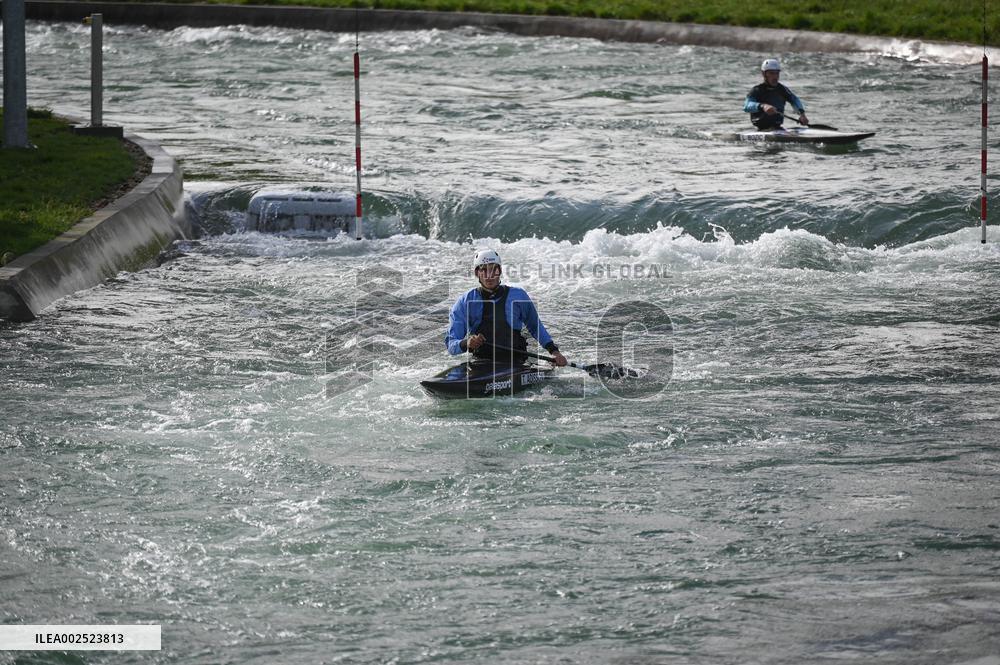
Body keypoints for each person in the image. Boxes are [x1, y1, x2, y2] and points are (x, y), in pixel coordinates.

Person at [447, 249, 567, 367]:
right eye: (484, 270)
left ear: (500, 271)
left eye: (494, 269)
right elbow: (451, 345)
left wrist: (554, 352)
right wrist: (466, 343)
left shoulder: (518, 296)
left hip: (517, 362)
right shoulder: (465, 301)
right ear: (477, 273)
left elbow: (535, 327)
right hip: (482, 363)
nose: (489, 275)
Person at [743, 58, 809, 130]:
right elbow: (746, 106)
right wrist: (763, 106)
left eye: (777, 73)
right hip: (761, 129)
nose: (775, 77)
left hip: (777, 128)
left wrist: (802, 115)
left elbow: (794, 100)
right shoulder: (756, 90)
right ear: (764, 74)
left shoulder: (782, 89)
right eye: (771, 73)